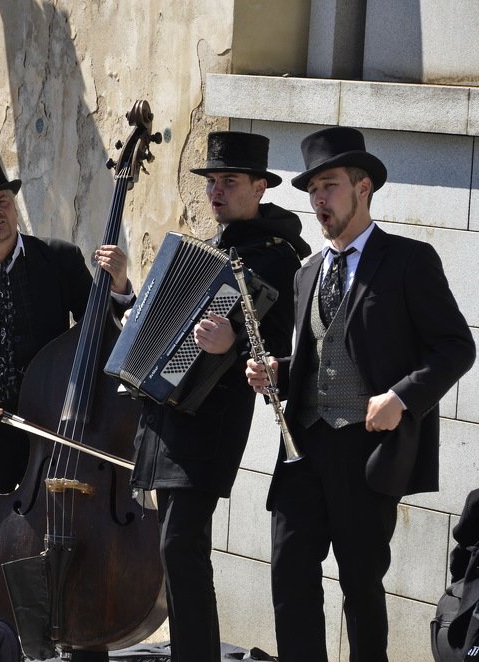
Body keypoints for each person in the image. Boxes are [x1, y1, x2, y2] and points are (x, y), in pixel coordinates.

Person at [245, 126, 475, 660]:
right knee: (289, 574)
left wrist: (401, 397)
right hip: (303, 448)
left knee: (361, 587)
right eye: (312, 191)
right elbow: (318, 356)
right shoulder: (306, 273)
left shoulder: (409, 261)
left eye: (329, 186)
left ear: (363, 187)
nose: (318, 200)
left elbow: (456, 347)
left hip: (365, 451)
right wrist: (274, 372)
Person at [0, 153, 131, 642]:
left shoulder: (57, 260)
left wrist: (119, 288)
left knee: (57, 545)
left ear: (14, 207)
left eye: (3, 201)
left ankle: (61, 640)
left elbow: (103, 331)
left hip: (55, 435)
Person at [128, 131, 310, 661]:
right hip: (168, 421)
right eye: (211, 182)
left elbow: (289, 347)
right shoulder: (213, 248)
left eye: (229, 181)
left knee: (179, 548)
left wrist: (232, 346)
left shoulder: (281, 258)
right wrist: (127, 296)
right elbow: (163, 325)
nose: (216, 191)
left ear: (259, 187)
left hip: (213, 423)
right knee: (176, 552)